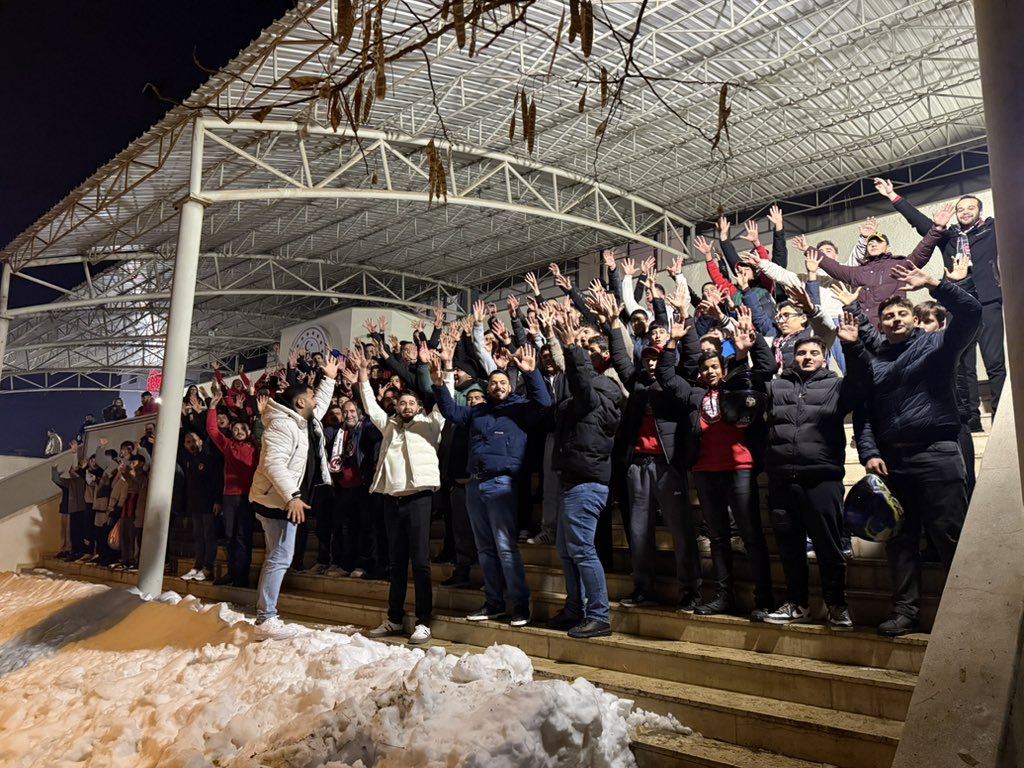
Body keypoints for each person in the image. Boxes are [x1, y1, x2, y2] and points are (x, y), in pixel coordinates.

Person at [844, 258, 981, 637]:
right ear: (881, 324)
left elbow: (971, 313)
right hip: (893, 462)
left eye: (901, 313)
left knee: (949, 536)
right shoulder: (875, 363)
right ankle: (905, 612)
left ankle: (969, 612)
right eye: (887, 316)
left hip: (937, 454)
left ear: (913, 317)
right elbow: (866, 414)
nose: (894, 320)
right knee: (900, 542)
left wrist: (935, 283)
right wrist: (870, 452)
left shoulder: (938, 345)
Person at [432, 344, 552, 628]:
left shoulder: (520, 409)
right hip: (476, 484)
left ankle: (520, 606)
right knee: (484, 548)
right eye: (494, 383)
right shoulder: (478, 412)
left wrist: (532, 373)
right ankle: (495, 603)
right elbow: (450, 411)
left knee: (505, 547)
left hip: (503, 484)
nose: (498, 386)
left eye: (502, 382)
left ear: (510, 387)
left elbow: (545, 405)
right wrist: (440, 383)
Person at [875, 178, 1004, 422]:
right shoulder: (948, 236)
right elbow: (919, 223)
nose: (965, 212)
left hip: (988, 302)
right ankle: (970, 417)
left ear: (980, 212)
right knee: (963, 364)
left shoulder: (992, 230)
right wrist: (893, 196)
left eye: (970, 208)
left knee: (995, 363)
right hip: (957, 303)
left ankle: (1000, 418)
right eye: (960, 209)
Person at [761, 329, 865, 630]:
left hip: (821, 480)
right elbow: (750, 387)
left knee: (828, 547)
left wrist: (853, 345)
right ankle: (798, 604)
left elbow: (862, 382)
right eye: (802, 353)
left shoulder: (837, 387)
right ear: (793, 358)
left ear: (825, 358)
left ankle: (836, 605)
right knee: (790, 548)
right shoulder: (777, 387)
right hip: (782, 481)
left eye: (814, 353)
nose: (807, 357)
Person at [351, 344, 447, 645]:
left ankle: (423, 621)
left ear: (418, 407)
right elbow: (369, 405)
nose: (405, 407)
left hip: (418, 499)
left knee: (420, 562)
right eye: (401, 403)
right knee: (396, 562)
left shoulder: (431, 425)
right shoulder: (389, 427)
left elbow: (442, 404)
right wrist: (363, 374)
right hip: (391, 500)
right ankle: (393, 618)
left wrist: (439, 377)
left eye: (410, 403)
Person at [248, 356, 338, 641]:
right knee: (280, 557)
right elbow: (273, 464)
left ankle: (266, 614)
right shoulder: (282, 426)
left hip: (284, 500)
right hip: (276, 502)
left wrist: (330, 379)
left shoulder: (302, 420)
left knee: (277, 556)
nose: (315, 399)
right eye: (310, 395)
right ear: (300, 403)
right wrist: (293, 497)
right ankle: (266, 617)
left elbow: (319, 405)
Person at [545, 317, 624, 639]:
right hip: (571, 482)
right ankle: (575, 609)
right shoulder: (585, 399)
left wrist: (573, 348)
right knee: (567, 551)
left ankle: (599, 615)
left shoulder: (601, 395)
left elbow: (581, 386)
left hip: (586, 485)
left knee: (582, 551)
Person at [205, 391, 263, 587]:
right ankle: (231, 572)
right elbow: (213, 431)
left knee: (242, 536)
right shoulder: (228, 446)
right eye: (235, 428)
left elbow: (262, 433)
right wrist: (212, 408)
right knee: (229, 536)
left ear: (248, 432)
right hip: (229, 497)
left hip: (247, 497)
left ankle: (241, 577)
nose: (238, 431)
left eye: (242, 428)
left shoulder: (256, 449)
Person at [178, 432, 222, 583]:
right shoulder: (187, 460)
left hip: (209, 504)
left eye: (194, 441)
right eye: (188, 441)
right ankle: (197, 566)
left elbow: (217, 481)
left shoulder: (209, 458)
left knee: (209, 537)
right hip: (195, 505)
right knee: (198, 537)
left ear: (201, 441)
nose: (192, 444)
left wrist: (217, 501)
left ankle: (207, 567)